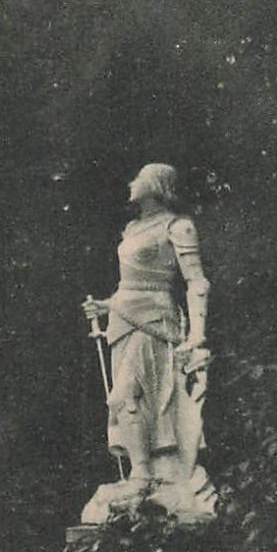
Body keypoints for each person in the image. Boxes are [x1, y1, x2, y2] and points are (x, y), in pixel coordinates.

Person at [79, 163, 216, 522]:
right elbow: (131, 284)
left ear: (156, 184)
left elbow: (196, 282)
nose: (130, 182)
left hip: (155, 322)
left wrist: (198, 336)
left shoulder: (177, 226)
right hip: (121, 321)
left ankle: (143, 478)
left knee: (125, 395)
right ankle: (143, 475)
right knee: (127, 403)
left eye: (137, 177)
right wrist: (106, 305)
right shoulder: (133, 228)